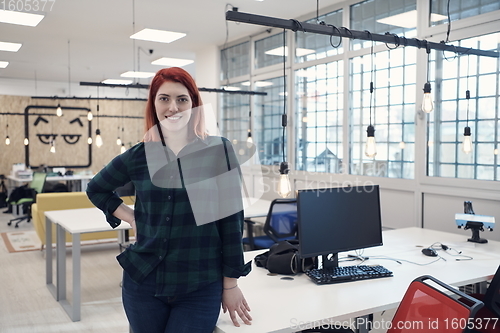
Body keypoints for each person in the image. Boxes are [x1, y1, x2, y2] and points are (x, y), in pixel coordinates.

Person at [86, 67, 252, 333]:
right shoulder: (139, 155)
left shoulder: (218, 150)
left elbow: (231, 220)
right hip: (143, 282)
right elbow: (96, 188)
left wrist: (230, 284)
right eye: (164, 98)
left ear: (194, 104)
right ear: (153, 104)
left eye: (182, 99)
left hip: (199, 284)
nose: (173, 107)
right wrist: (131, 217)